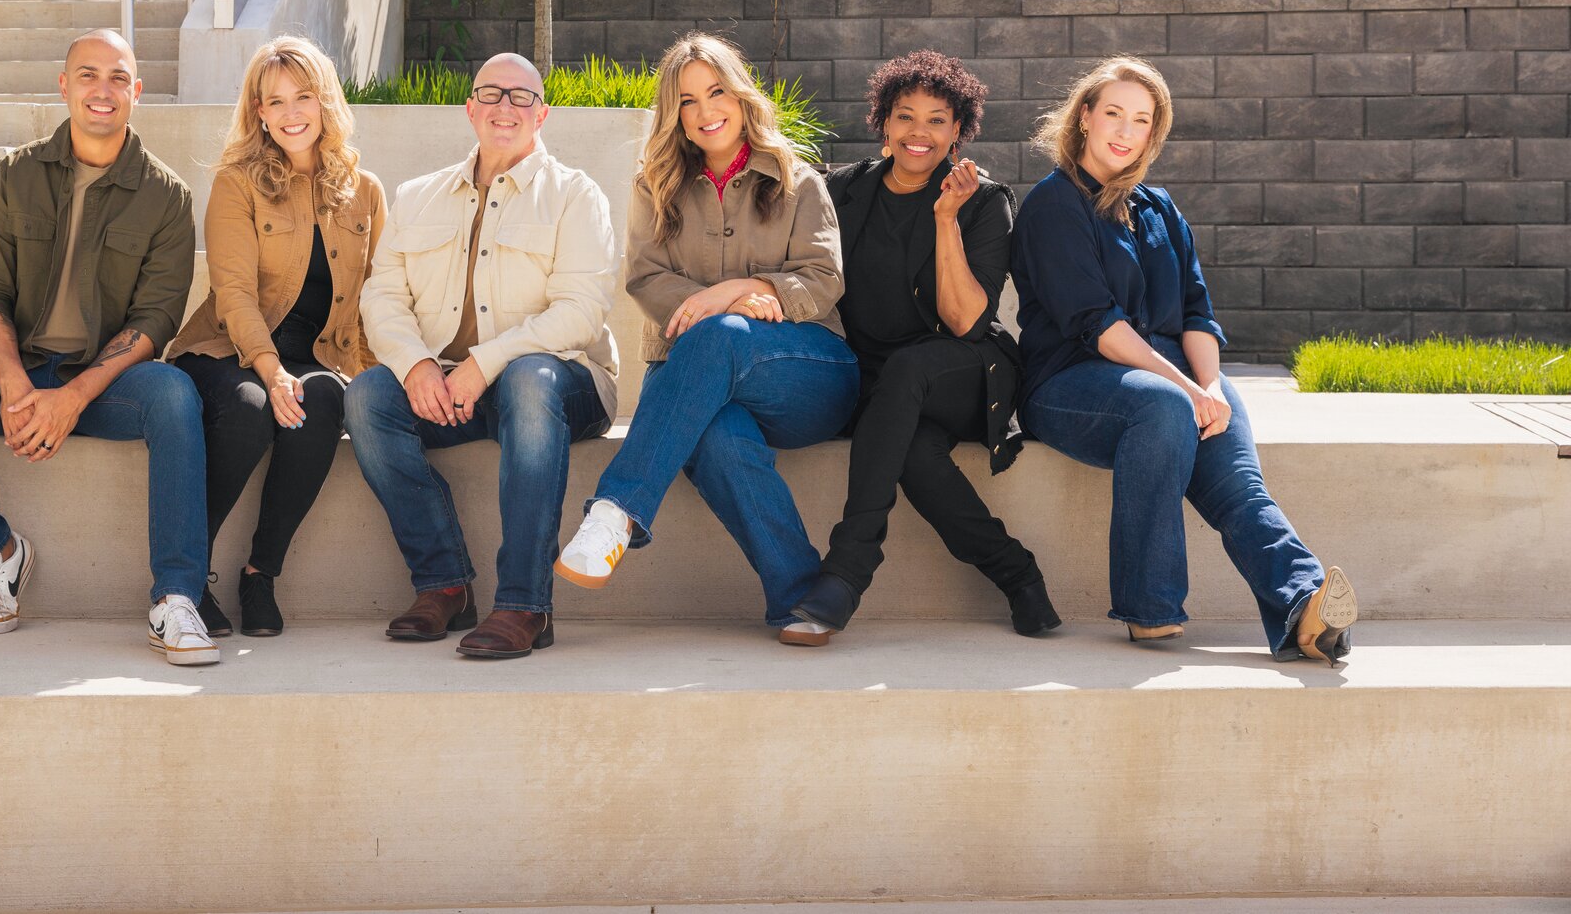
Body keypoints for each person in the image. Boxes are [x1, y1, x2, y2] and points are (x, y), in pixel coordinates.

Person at [0, 29, 220, 665]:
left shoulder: (166, 196)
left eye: (118, 77)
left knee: (176, 395)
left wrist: (70, 398)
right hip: (15, 370)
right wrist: (14, 383)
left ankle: (177, 598)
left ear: (137, 93)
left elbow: (156, 318)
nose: (103, 90)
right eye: (88, 75)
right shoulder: (14, 176)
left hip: (102, 386)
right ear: (64, 87)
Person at [1011, 56, 1358, 664]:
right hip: (1070, 381)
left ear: (1154, 132)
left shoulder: (1160, 207)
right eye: (1113, 113)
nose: (1124, 130)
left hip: (1173, 379)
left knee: (1236, 484)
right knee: (1164, 407)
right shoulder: (1052, 205)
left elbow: (1197, 313)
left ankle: (1306, 608)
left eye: (1141, 120)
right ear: (1084, 117)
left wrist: (1213, 386)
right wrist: (1186, 388)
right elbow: (1098, 326)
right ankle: (1150, 609)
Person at [555, 33, 859, 645]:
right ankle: (800, 596)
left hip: (807, 372)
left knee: (721, 334)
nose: (705, 110)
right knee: (716, 436)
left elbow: (823, 281)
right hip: (699, 379)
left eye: (716, 91)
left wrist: (733, 293)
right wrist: (718, 308)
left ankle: (616, 509)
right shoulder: (656, 185)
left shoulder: (797, 181)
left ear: (742, 96)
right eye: (687, 100)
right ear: (675, 114)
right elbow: (643, 277)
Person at [345, 52, 618, 659]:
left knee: (527, 379)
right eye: (491, 94)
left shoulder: (576, 195)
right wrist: (416, 364)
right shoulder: (417, 196)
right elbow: (383, 296)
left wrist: (486, 361)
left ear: (542, 114)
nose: (505, 108)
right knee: (367, 397)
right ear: (469, 108)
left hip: (563, 385)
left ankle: (525, 604)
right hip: (451, 385)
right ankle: (444, 584)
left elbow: (581, 312)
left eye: (521, 98)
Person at [790, 52, 1057, 643]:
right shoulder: (842, 192)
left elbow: (966, 322)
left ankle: (848, 569)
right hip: (879, 384)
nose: (919, 132)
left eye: (937, 120)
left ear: (958, 130)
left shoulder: (985, 201)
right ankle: (1017, 574)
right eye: (905, 116)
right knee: (909, 451)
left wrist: (944, 219)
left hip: (965, 373)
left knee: (912, 366)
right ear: (883, 122)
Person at [168, 36, 385, 638]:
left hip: (316, 359)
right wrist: (268, 367)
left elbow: (371, 299)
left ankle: (260, 575)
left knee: (325, 404)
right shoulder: (237, 182)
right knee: (249, 410)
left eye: (304, 96)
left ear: (325, 102)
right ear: (258, 112)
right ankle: (183, 579)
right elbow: (233, 291)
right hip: (227, 350)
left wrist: (373, 381)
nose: (292, 112)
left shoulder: (364, 192)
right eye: (276, 100)